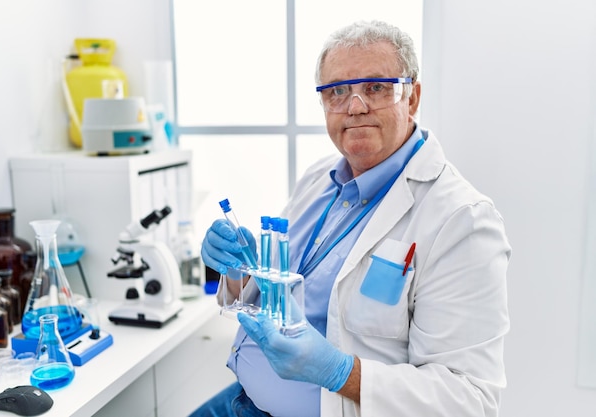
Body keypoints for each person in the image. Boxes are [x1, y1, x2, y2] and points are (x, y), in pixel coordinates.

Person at [194, 20, 511, 417]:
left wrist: (339, 372)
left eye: (376, 87)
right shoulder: (318, 178)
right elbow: (276, 297)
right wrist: (239, 272)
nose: (355, 105)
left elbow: (469, 401)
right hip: (242, 399)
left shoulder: (462, 221)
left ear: (411, 98)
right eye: (338, 91)